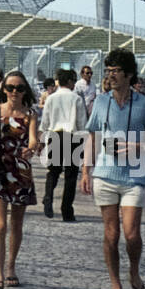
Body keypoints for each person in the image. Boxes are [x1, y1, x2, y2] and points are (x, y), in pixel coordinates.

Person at [80, 49, 145, 289]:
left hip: (134, 175)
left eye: (115, 71)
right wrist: (86, 169)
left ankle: (134, 272)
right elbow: (92, 135)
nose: (110, 75)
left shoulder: (144, 104)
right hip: (105, 175)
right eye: (108, 71)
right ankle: (116, 285)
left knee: (132, 234)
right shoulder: (101, 101)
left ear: (129, 74)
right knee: (111, 235)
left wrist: (137, 146)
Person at [0, 72, 39, 289]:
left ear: (26, 91)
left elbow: (33, 137)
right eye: (11, 87)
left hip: (21, 172)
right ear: (4, 89)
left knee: (16, 225)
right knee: (0, 225)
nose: (15, 92)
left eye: (20, 88)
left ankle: (11, 266)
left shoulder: (31, 114)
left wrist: (32, 146)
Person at [41, 68, 86, 222]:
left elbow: (45, 121)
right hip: (72, 136)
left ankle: (48, 196)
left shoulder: (51, 98)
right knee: (71, 176)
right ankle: (67, 211)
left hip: (55, 134)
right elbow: (81, 122)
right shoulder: (76, 98)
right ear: (70, 82)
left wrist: (43, 139)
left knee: (53, 171)